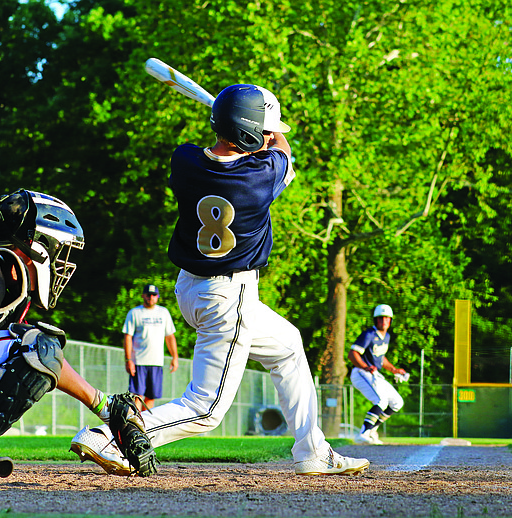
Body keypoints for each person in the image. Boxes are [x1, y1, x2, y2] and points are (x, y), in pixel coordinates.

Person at [72, 83, 369, 476]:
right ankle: (109, 436)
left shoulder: (185, 161)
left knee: (289, 348)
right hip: (229, 297)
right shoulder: (259, 177)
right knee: (206, 409)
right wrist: (262, 132)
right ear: (248, 134)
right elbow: (281, 148)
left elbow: (221, 154)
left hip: (190, 288)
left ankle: (312, 450)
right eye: (261, 131)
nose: (268, 136)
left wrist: (235, 119)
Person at [0, 189, 150, 489]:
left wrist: (105, 407)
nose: (62, 264)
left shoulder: (0, 277)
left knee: (40, 345)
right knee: (36, 346)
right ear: (38, 247)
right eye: (60, 252)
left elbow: (46, 357)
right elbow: (36, 350)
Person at [349, 304, 408, 445]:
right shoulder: (369, 334)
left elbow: (380, 357)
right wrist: (365, 366)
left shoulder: (386, 336)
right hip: (361, 372)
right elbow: (353, 354)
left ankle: (371, 431)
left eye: (387, 318)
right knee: (381, 400)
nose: (384, 321)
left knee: (397, 402)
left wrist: (393, 370)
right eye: (381, 318)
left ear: (391, 320)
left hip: (373, 373)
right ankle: (362, 433)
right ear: (375, 320)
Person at [123, 284, 178, 410]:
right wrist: (128, 360)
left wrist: (174, 357)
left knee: (151, 397)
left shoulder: (163, 313)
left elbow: (169, 336)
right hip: (139, 362)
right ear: (143, 296)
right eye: (148, 295)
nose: (151, 298)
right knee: (137, 396)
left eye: (154, 295)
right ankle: (135, 424)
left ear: (157, 297)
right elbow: (128, 337)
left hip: (156, 362)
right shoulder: (135, 313)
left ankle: (146, 427)